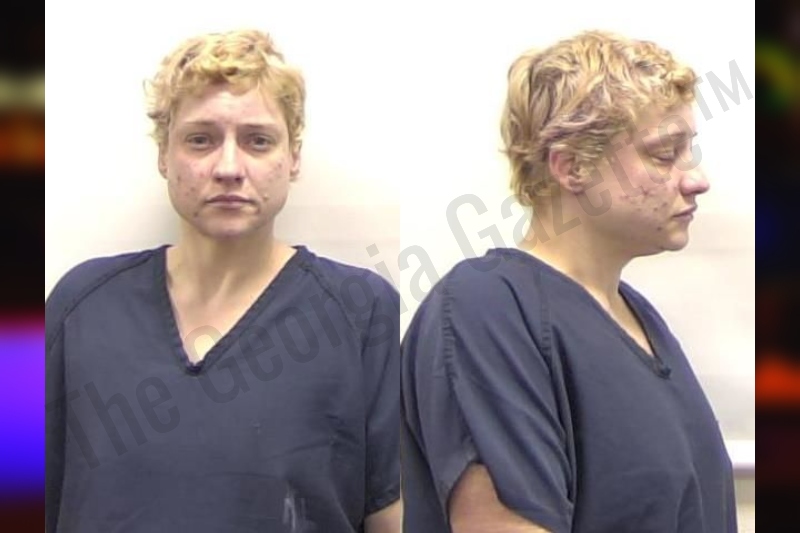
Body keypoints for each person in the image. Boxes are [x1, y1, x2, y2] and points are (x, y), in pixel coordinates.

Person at [46, 29, 401, 533]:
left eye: (258, 141)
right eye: (201, 139)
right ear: (164, 154)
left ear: (293, 157)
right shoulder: (75, 305)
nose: (229, 167)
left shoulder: (363, 312)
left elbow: (391, 514)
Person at [400, 30, 737, 532]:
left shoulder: (640, 321)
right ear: (572, 166)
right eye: (664, 154)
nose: (695, 179)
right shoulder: (488, 310)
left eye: (688, 152)